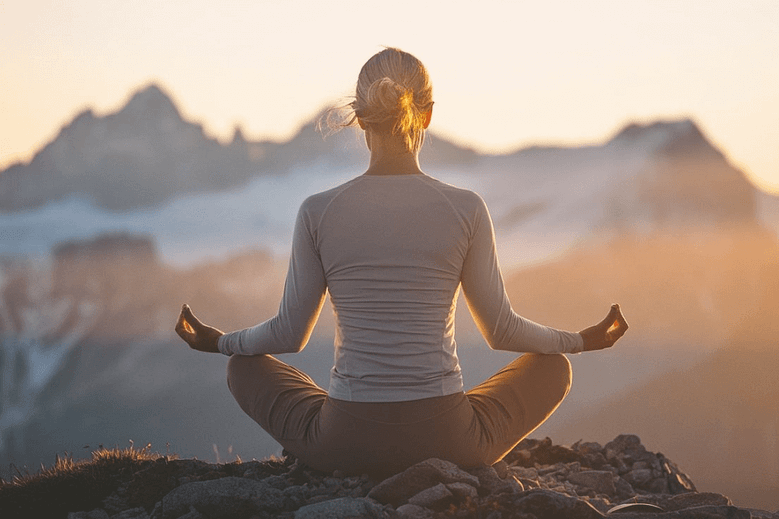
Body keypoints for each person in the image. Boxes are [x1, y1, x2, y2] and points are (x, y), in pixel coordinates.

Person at [175, 47, 628, 479]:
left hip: (345, 443)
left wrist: (220, 342)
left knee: (242, 365)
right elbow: (502, 331)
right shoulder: (466, 208)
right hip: (450, 438)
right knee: (555, 366)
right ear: (427, 114)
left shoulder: (318, 210)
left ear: (358, 116)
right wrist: (579, 340)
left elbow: (288, 335)